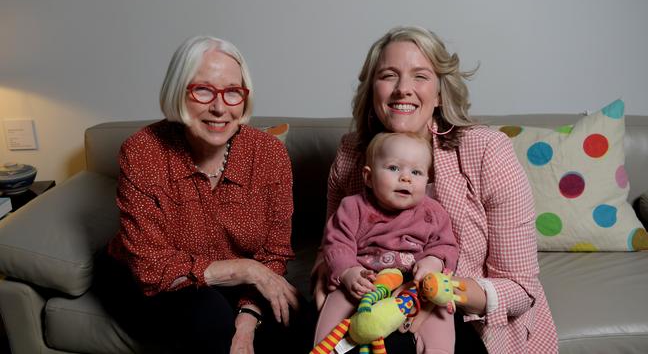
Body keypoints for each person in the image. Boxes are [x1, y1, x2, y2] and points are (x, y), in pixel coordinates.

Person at [311, 26, 559, 353]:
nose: (403, 89)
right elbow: (332, 242)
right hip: (367, 298)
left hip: (465, 314)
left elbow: (522, 288)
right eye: (388, 75)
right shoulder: (350, 156)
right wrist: (327, 280)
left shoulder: (487, 151)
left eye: (420, 76)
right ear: (373, 90)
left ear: (440, 93)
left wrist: (433, 291)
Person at [101, 35, 304, 353]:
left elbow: (274, 255)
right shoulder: (142, 152)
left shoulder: (269, 154)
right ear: (178, 93)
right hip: (156, 283)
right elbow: (150, 267)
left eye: (233, 92)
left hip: (233, 286)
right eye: (203, 90)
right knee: (208, 315)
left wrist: (248, 321)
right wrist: (246, 269)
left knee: (292, 313)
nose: (220, 108)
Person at [315, 132, 459, 353]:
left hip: (414, 285)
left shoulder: (433, 212)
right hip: (364, 279)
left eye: (416, 172)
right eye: (393, 168)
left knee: (441, 320)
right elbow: (336, 243)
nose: (406, 178)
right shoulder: (352, 207)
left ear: (427, 181)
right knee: (331, 324)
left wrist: (433, 261)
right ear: (368, 177)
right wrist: (347, 272)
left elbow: (446, 245)